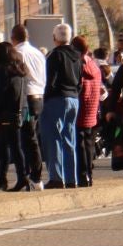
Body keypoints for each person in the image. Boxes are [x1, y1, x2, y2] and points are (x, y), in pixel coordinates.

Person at [39, 24, 83, 189]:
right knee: (69, 138)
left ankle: (57, 177)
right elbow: (80, 80)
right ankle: (72, 178)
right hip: (73, 99)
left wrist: (45, 97)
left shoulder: (54, 55)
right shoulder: (77, 56)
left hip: (57, 98)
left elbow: (50, 80)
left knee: (53, 138)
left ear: (54, 38)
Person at [0, 42, 35, 191]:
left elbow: (0, 93)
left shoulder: (3, 70)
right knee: (7, 146)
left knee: (13, 147)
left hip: (6, 112)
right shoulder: (21, 69)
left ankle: (22, 177)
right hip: (19, 111)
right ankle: (2, 178)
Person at [11, 25, 48, 184]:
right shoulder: (38, 53)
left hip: (27, 97)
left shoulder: (18, 53)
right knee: (33, 137)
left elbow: (18, 77)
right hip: (39, 95)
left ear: (13, 38)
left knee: (27, 138)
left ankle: (33, 176)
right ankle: (34, 174)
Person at [74, 36, 103, 187]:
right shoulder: (94, 65)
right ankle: (89, 175)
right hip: (92, 110)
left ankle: (83, 175)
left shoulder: (79, 65)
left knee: (80, 145)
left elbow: (78, 86)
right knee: (88, 144)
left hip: (81, 108)